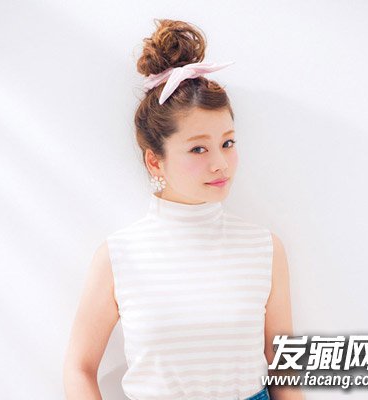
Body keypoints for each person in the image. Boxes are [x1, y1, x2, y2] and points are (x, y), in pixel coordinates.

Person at [63, 18, 304, 400]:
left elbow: (283, 365)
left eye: (227, 143)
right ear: (155, 161)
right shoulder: (119, 256)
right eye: (198, 148)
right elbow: (79, 367)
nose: (220, 164)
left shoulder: (264, 248)